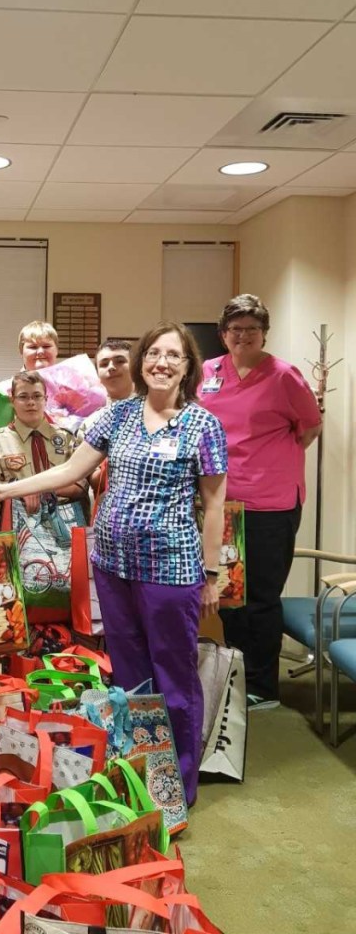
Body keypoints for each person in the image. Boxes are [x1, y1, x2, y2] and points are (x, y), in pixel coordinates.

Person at [0, 322, 227, 807]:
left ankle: (176, 783)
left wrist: (211, 575)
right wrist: (7, 489)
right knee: (129, 675)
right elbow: (71, 471)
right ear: (141, 362)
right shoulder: (119, 416)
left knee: (174, 678)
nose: (161, 362)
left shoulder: (203, 426)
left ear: (188, 366)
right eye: (153, 353)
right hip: (112, 566)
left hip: (171, 569)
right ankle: (137, 768)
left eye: (172, 355)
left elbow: (215, 506)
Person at [200, 294, 321, 711]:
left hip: (271, 502)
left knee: (262, 598)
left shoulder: (284, 376)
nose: (243, 336)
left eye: (252, 329)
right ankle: (235, 674)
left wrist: (270, 458)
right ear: (223, 334)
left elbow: (309, 428)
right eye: (235, 329)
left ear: (264, 334)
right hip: (222, 503)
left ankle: (264, 686)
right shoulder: (208, 372)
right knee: (229, 596)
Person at [0, 370, 88, 516]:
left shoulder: (66, 438)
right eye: (23, 397)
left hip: (65, 521)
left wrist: (37, 489)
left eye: (37, 396)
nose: (31, 402)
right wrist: (18, 492)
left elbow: (80, 486)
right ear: (12, 401)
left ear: (46, 399)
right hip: (18, 520)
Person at [78, 339, 135, 498]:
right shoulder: (91, 423)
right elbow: (87, 479)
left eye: (120, 361)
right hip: (106, 514)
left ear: (136, 367)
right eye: (104, 364)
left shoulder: (155, 413)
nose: (111, 367)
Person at [0, 320, 59, 395]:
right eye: (33, 347)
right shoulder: (3, 391)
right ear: (21, 351)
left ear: (57, 350)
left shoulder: (70, 388)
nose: (40, 351)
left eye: (46, 346)